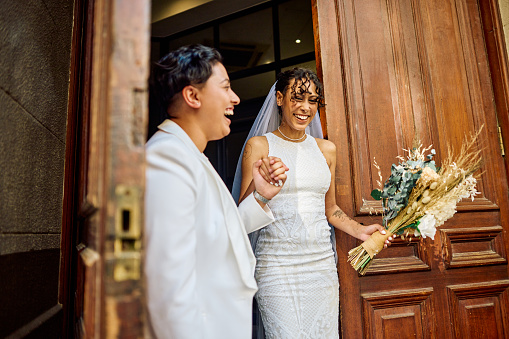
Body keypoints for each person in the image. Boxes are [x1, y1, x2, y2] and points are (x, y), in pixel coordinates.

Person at [233, 68, 391, 338]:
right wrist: (261, 182)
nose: (305, 107)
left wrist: (360, 230)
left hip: (321, 267)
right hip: (276, 267)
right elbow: (243, 213)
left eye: (313, 100)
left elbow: (330, 209)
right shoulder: (259, 147)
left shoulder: (326, 150)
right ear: (280, 98)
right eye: (298, 98)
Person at [144, 44, 289, 339]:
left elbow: (216, 234)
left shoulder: (189, 155)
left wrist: (259, 195)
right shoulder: (166, 159)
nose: (235, 98)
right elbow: (168, 288)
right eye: (225, 87)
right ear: (193, 96)